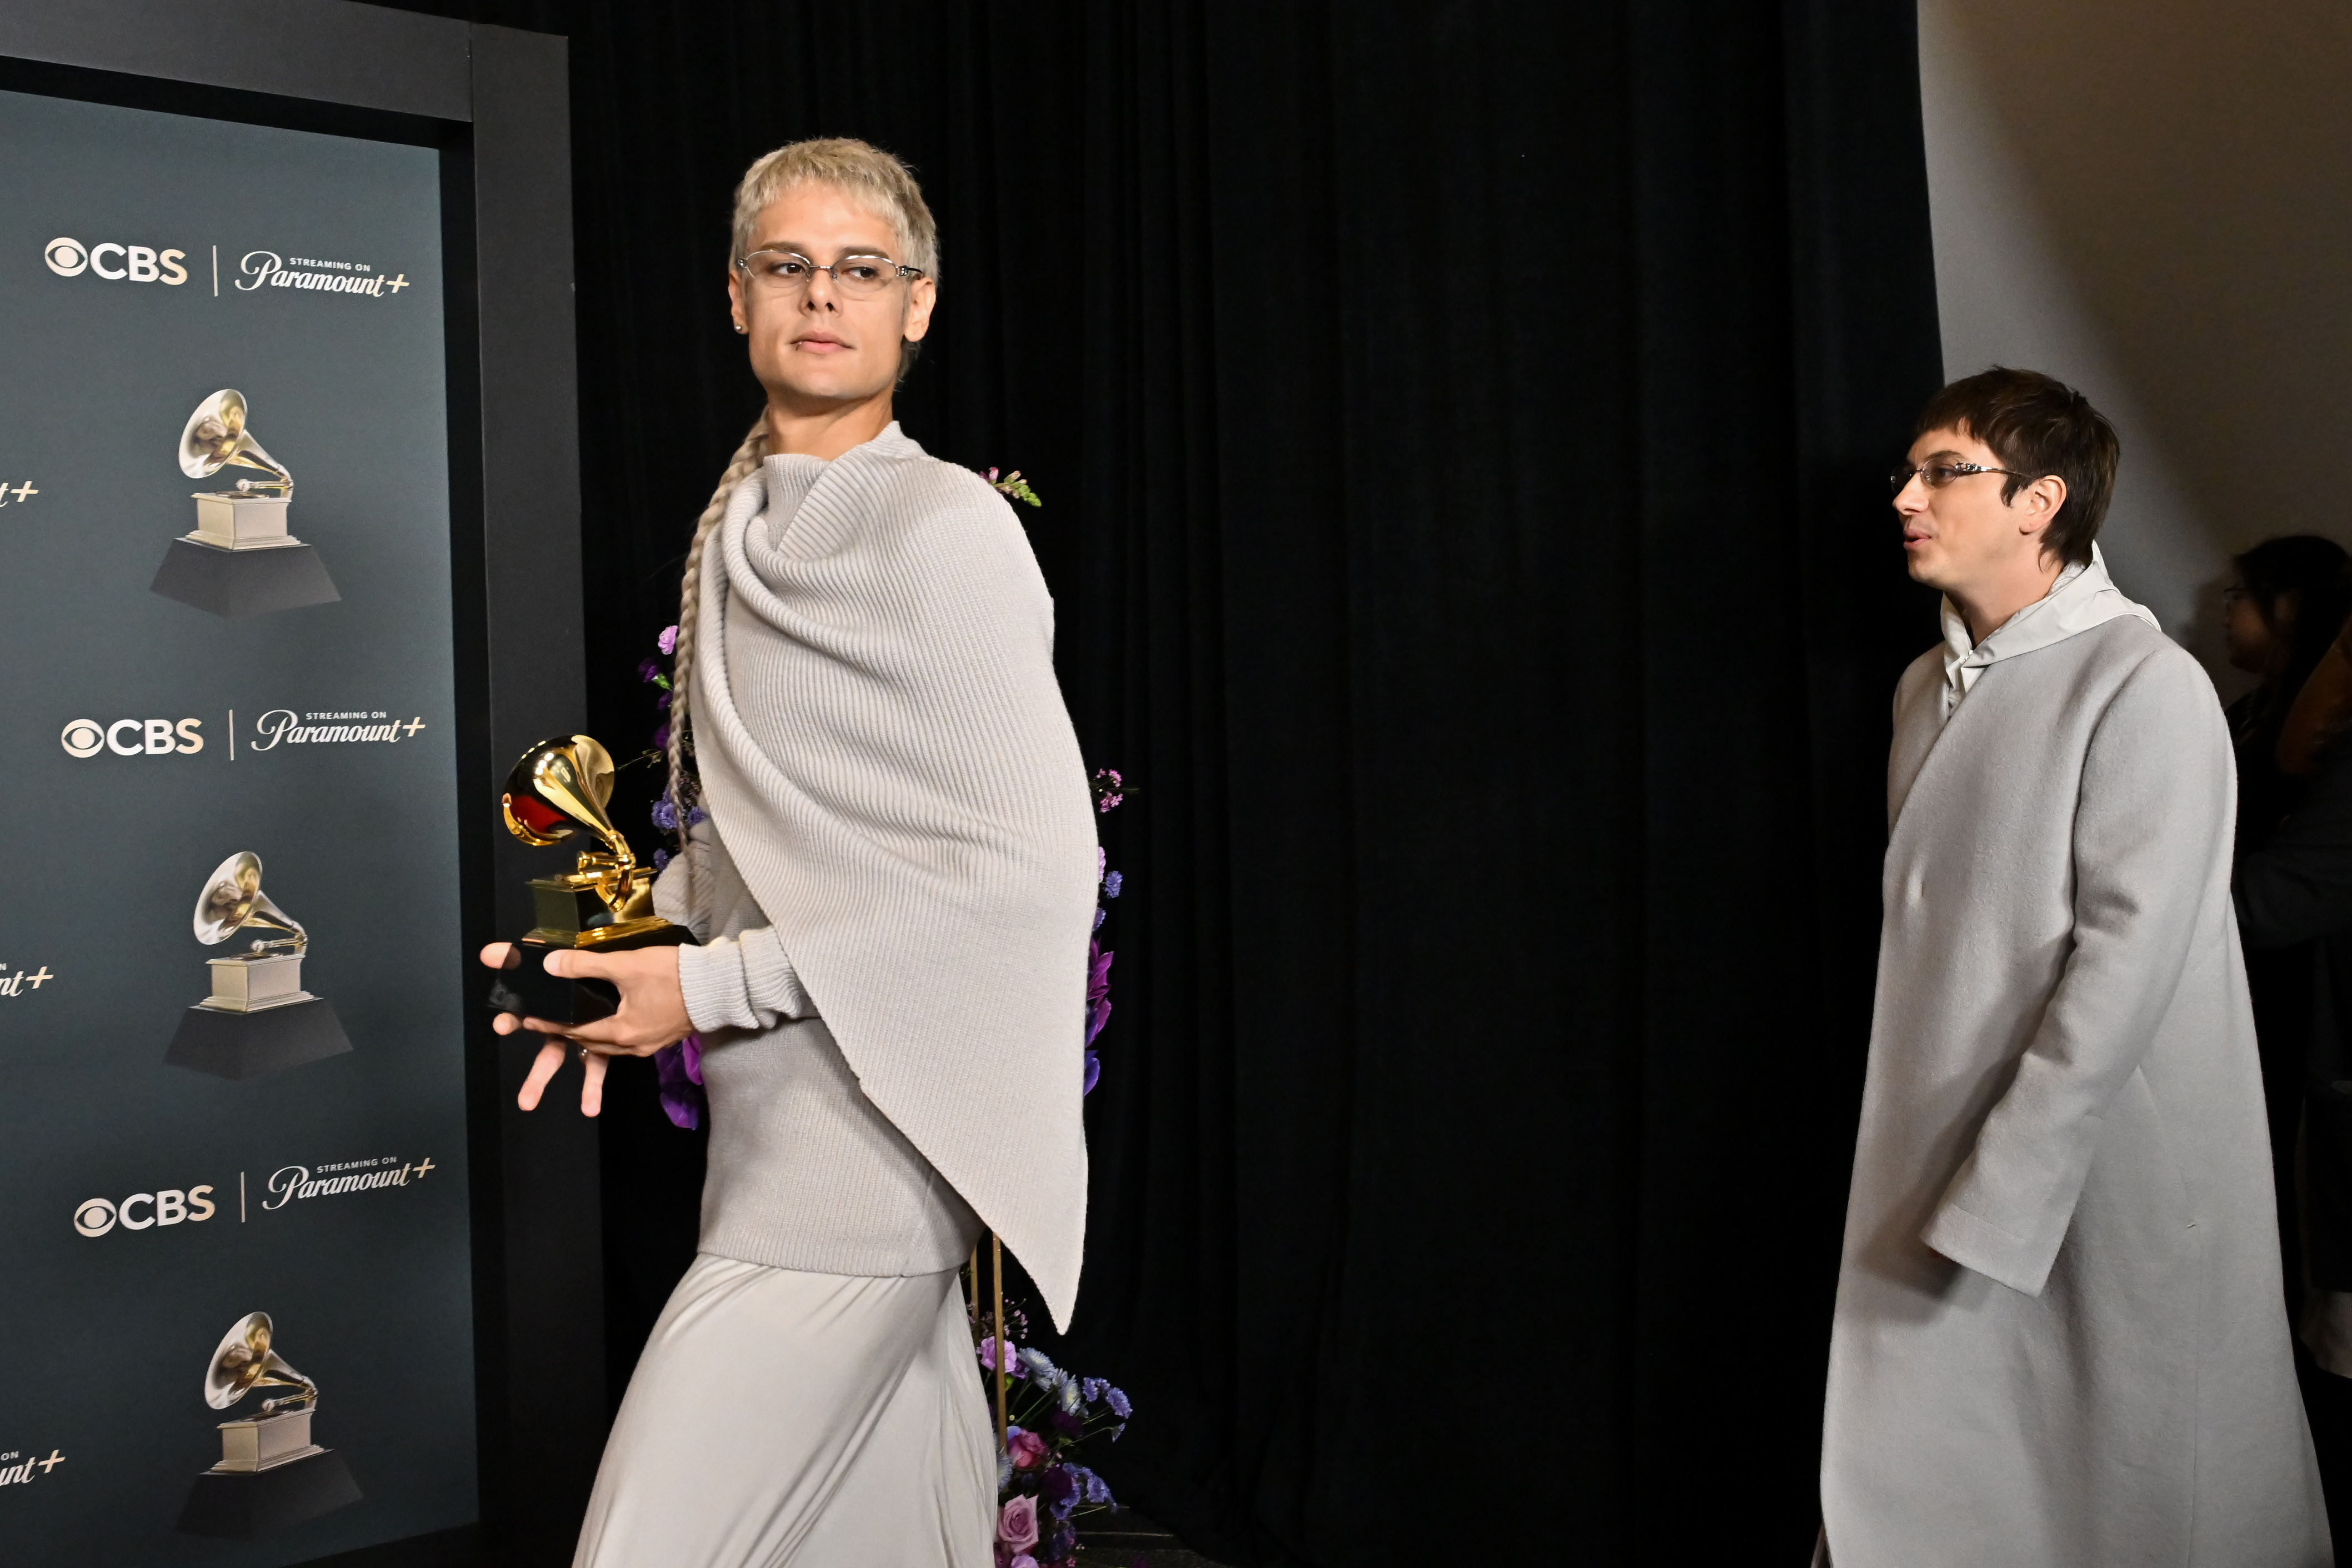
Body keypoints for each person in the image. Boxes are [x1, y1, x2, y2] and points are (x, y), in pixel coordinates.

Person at [478, 139, 1097, 1567]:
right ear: (738, 297)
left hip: (865, 1157)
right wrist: (625, 963)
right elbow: (767, 843)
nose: (824, 296)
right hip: (775, 1137)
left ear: (917, 306)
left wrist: (701, 991)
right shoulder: (744, 529)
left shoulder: (939, 526)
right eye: (789, 265)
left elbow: (1019, 873)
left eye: (862, 270)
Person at [1814, 367, 2328, 1566]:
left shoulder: (2142, 682)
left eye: (1942, 471)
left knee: (2129, 1477)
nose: (1904, 496)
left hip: (2096, 1161)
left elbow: (2125, 963)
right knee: (1968, 1475)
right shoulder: (1919, 689)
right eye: (1909, 470)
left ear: (2040, 499)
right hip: (1943, 1131)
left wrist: (2001, 1187)